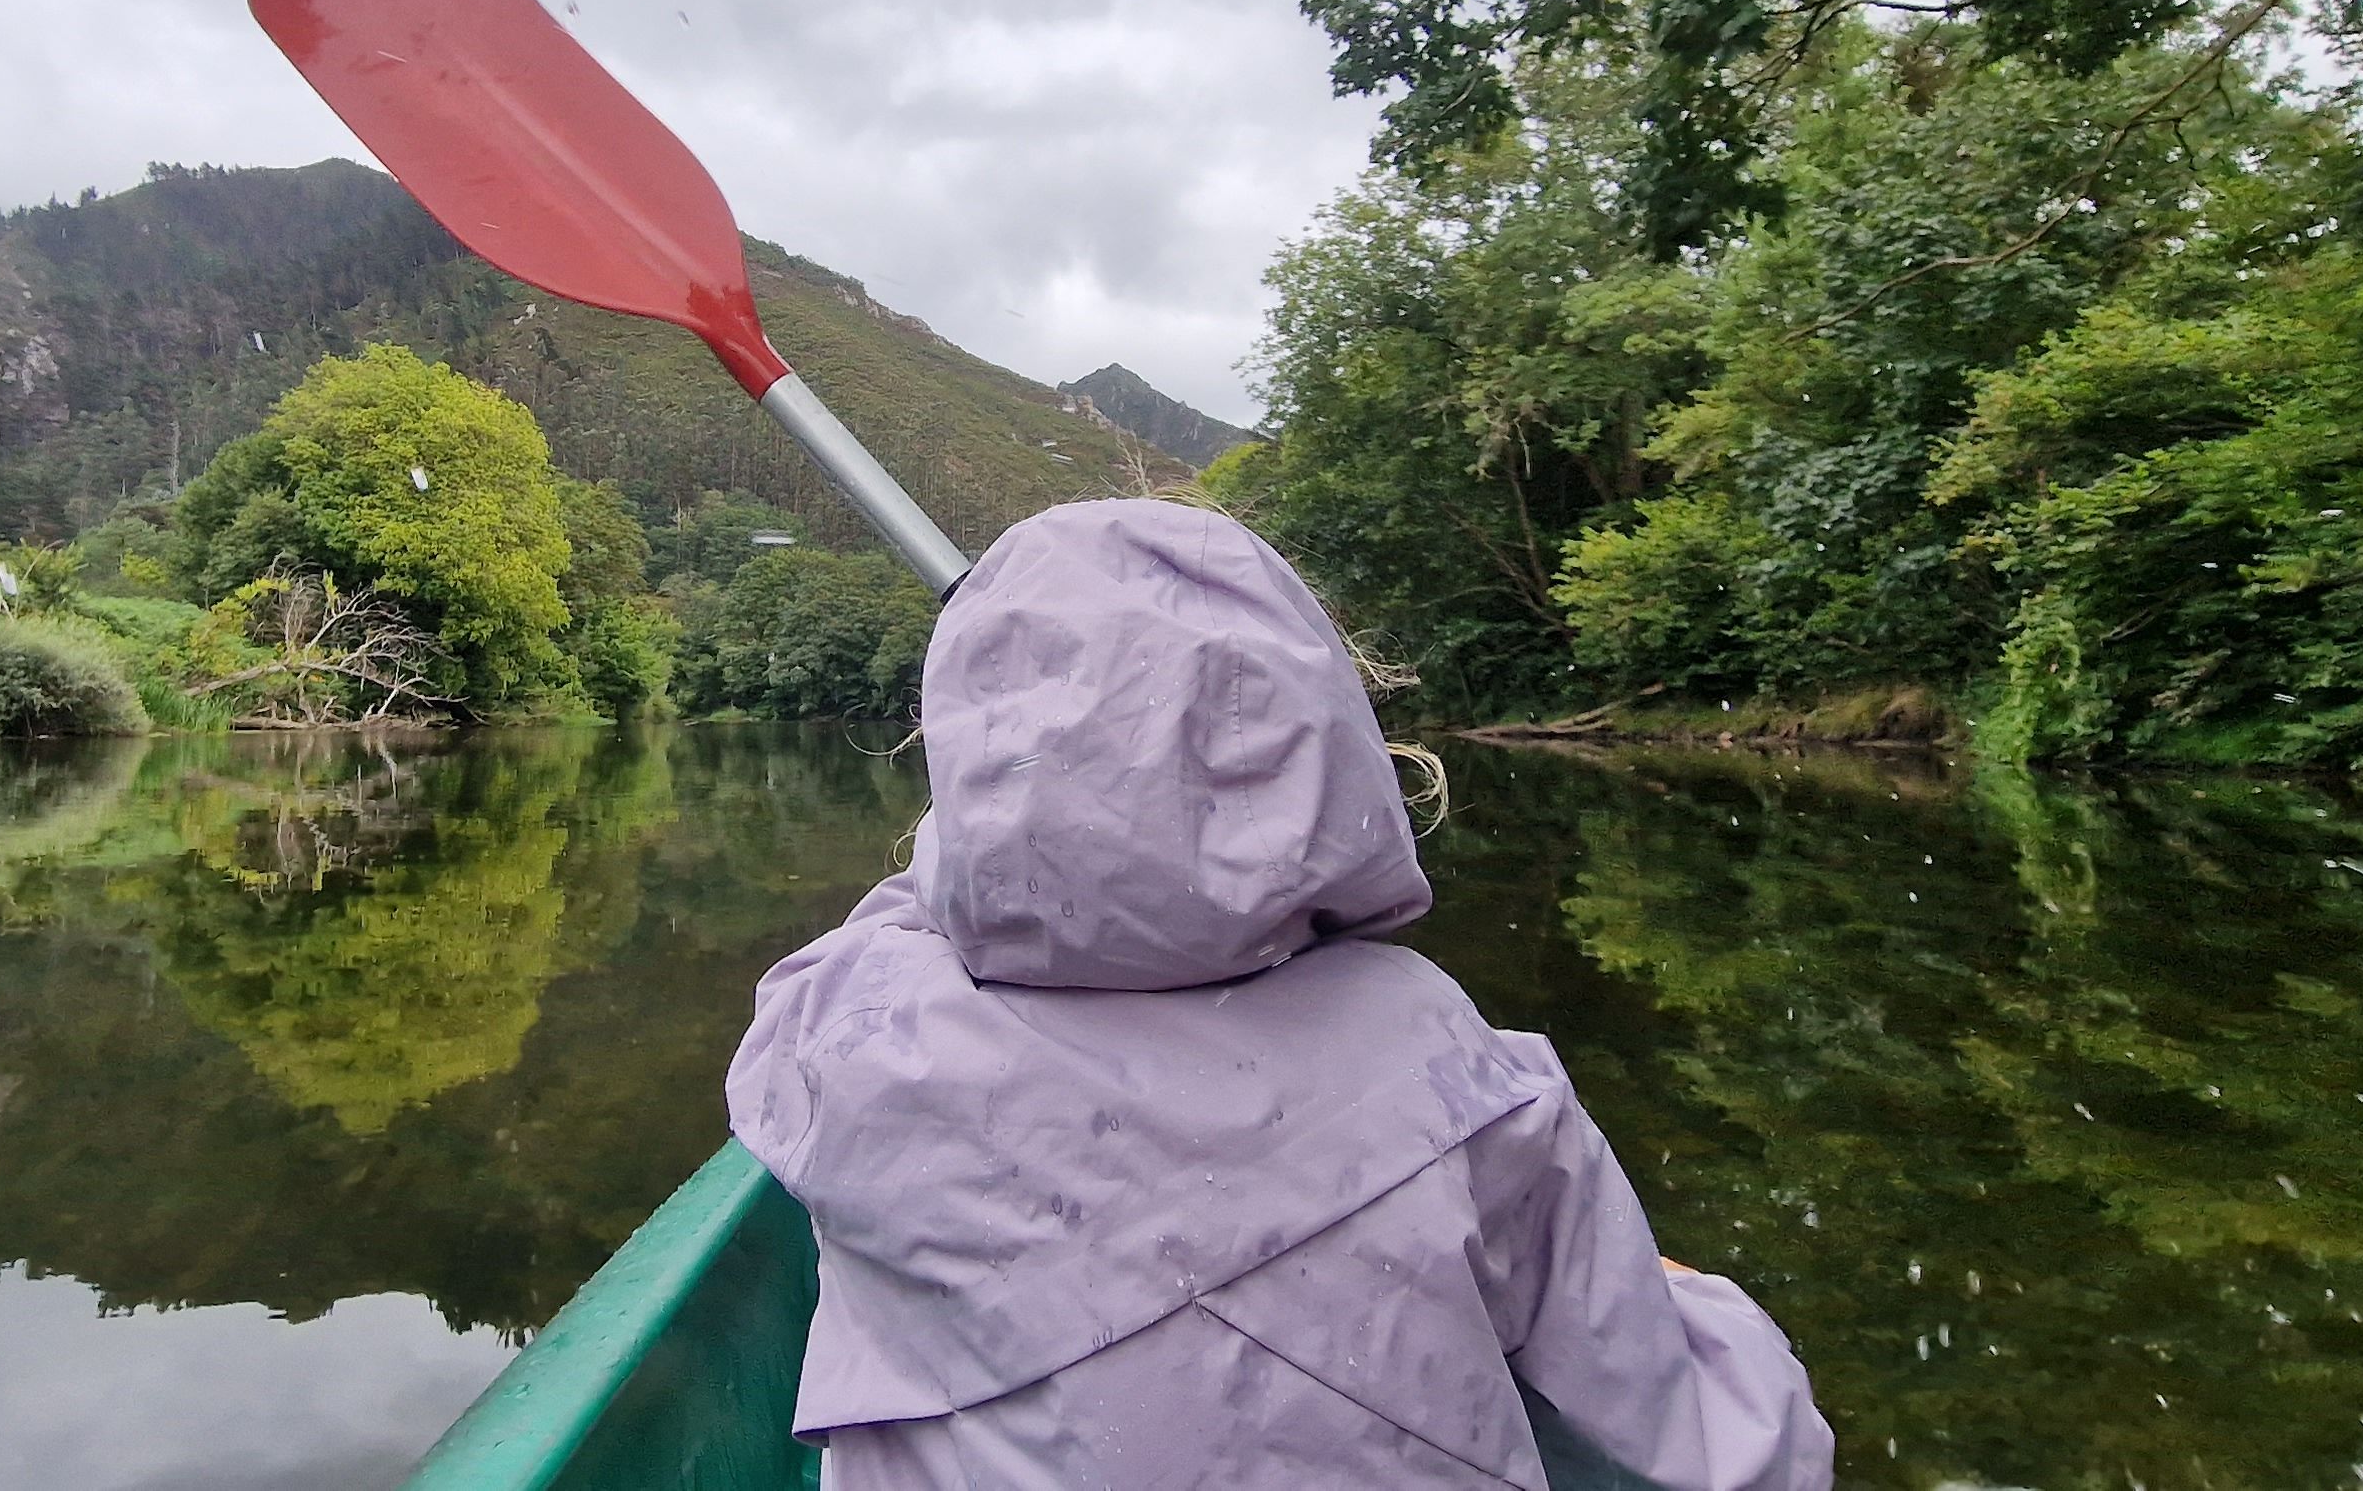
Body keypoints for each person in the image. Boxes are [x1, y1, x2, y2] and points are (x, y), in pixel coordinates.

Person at [728, 499, 1836, 1490]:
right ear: (1333, 734)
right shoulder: (1453, 1061)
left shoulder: (853, 1035)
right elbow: (1724, 1459)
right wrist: (1712, 1311)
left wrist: (1002, 820)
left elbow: (897, 917)